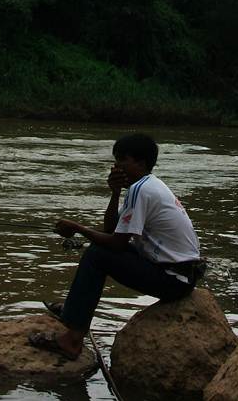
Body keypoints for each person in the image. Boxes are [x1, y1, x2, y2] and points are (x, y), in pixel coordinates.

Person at [29, 133, 203, 359]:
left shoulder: (142, 190)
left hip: (173, 279)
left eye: (122, 160)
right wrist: (114, 193)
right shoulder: (145, 186)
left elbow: (116, 243)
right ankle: (74, 312)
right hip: (177, 274)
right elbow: (111, 229)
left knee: (97, 255)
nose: (116, 166)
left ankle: (72, 340)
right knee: (99, 251)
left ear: (140, 163)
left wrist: (78, 228)